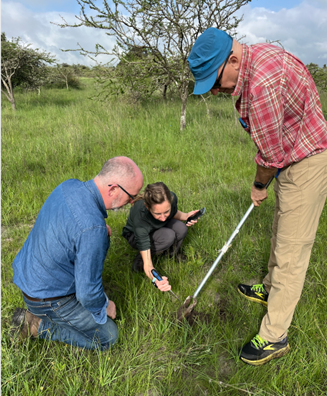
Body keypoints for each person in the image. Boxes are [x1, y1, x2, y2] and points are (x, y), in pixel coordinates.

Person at [187, 28, 327, 365]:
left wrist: (259, 185)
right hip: (292, 154)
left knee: (292, 251)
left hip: (306, 162)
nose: (218, 91)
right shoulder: (253, 62)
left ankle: (275, 335)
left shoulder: (262, 84)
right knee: (280, 229)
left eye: (217, 82)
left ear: (232, 60)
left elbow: (270, 156)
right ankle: (269, 287)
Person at [11, 156, 144, 350]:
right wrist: (104, 305)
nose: (131, 202)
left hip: (29, 278)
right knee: (109, 337)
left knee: (97, 240)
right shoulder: (92, 228)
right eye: (131, 197)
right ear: (113, 189)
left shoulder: (69, 186)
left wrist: (97, 235)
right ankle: (36, 325)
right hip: (47, 299)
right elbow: (88, 294)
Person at [122, 182, 200, 292]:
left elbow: (174, 212)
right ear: (147, 207)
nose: (163, 218)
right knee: (168, 236)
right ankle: (140, 259)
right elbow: (149, 265)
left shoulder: (171, 198)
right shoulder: (140, 216)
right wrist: (155, 280)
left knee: (181, 229)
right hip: (134, 236)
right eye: (157, 213)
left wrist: (186, 216)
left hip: (155, 227)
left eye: (166, 212)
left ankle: (171, 254)